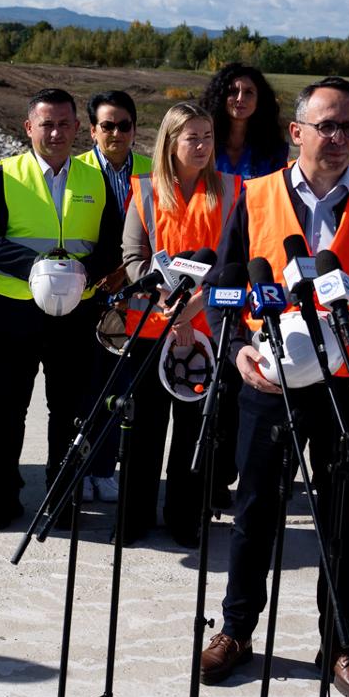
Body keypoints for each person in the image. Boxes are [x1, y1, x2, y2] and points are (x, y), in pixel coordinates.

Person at [201, 77, 349, 697]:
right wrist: (233, 344)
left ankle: (340, 642)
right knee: (255, 512)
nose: (339, 137)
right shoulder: (256, 196)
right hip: (270, 379)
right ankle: (236, 630)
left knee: (344, 520)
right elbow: (222, 288)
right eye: (326, 125)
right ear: (296, 131)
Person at [0, 88, 124, 531]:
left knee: (69, 410)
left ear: (78, 128)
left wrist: (83, 272)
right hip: (17, 312)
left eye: (64, 124)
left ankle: (62, 495)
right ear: (29, 128)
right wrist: (35, 267)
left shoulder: (96, 179)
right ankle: (4, 495)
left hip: (77, 315)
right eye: (46, 124)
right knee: (9, 408)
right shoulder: (6, 174)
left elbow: (112, 243)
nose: (55, 132)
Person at [117, 103, 245, 547]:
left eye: (208, 136)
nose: (202, 146)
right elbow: (133, 258)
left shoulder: (232, 190)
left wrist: (190, 310)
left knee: (197, 433)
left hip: (207, 333)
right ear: (170, 143)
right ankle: (133, 517)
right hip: (151, 330)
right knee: (144, 431)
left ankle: (186, 516)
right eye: (192, 137)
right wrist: (170, 305)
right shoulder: (146, 191)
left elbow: (235, 264)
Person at [74, 90, 147, 502]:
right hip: (88, 295)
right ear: (93, 131)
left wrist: (130, 274)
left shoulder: (152, 172)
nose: (116, 132)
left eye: (124, 125)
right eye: (107, 125)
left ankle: (105, 469)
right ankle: (80, 466)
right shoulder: (78, 170)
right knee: (86, 388)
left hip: (136, 297)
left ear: (134, 130)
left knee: (121, 389)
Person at [199, 63, 288, 179]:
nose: (240, 98)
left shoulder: (274, 150)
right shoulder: (203, 145)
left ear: (259, 99)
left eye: (248, 92)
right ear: (221, 97)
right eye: (233, 91)